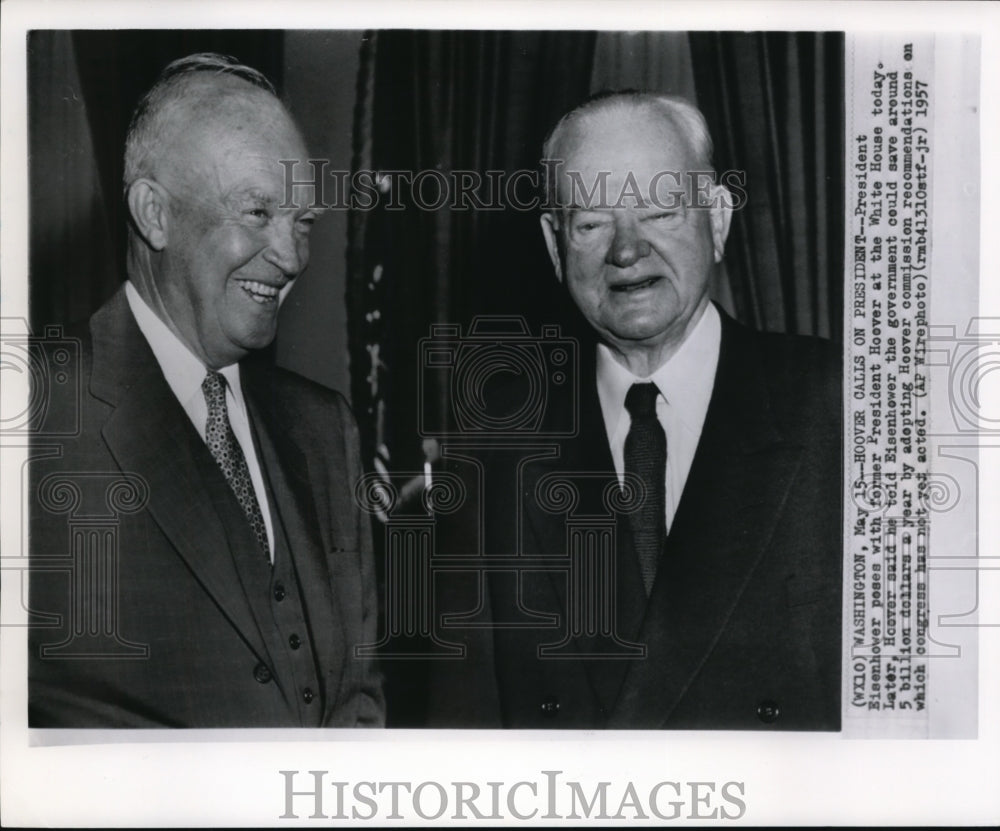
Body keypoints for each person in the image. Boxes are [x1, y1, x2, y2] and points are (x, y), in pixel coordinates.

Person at [427, 92, 841, 730]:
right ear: (554, 244)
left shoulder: (840, 404)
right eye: (591, 222)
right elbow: (463, 722)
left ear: (719, 219)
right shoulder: (494, 448)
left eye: (658, 210)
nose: (626, 250)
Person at [28, 53, 384, 728]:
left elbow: (357, 697)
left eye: (302, 222)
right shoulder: (34, 413)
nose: (291, 256)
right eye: (257, 211)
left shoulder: (323, 428)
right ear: (154, 214)